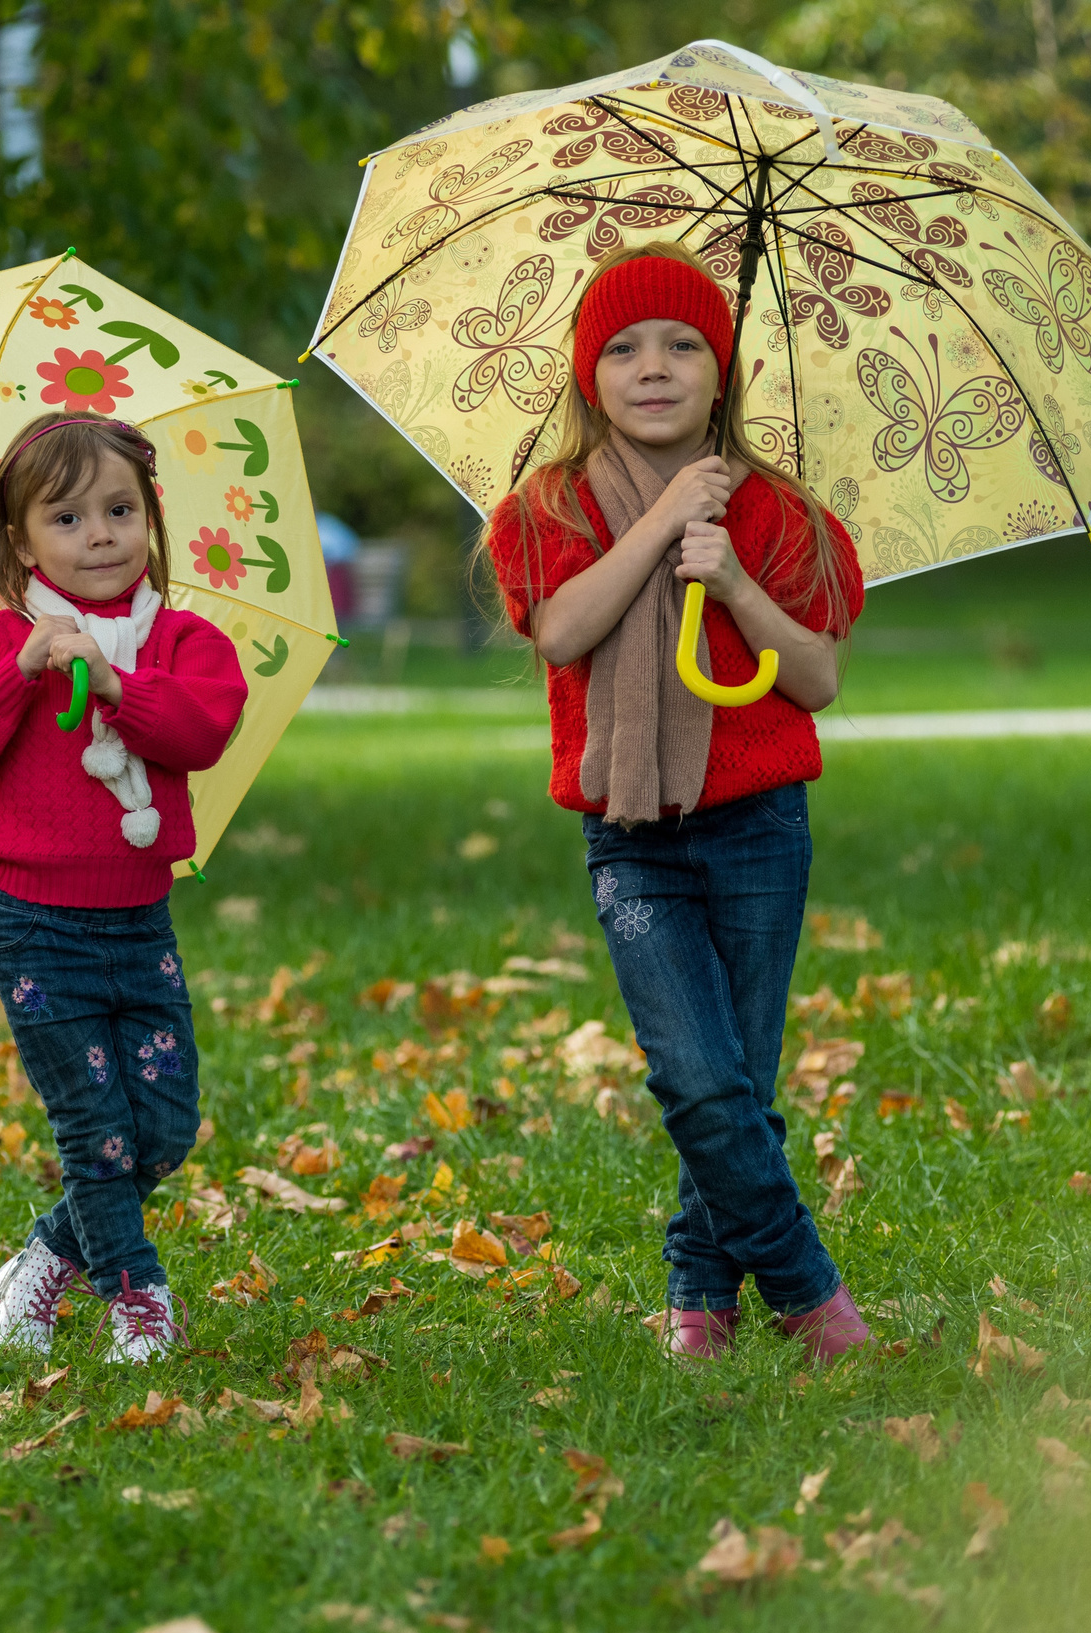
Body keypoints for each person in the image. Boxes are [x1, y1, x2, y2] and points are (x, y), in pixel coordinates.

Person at [485, 241, 871, 1364]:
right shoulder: (548, 508)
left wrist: (734, 578)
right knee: (696, 1079)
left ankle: (699, 1293)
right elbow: (560, 631)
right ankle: (809, 1294)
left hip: (757, 829)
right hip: (632, 836)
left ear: (723, 373)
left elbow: (817, 680)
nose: (652, 368)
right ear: (586, 376)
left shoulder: (776, 515)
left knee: (738, 1085)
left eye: (682, 345)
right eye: (622, 349)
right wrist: (657, 528)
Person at [0, 413, 247, 1363]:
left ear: (150, 518)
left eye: (118, 509)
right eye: (66, 518)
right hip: (36, 925)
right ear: (21, 544)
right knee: (96, 1129)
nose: (98, 533)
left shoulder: (181, 641)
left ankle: (39, 1261)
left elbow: (199, 731)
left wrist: (112, 682)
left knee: (165, 1121)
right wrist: (22, 670)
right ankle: (136, 1296)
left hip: (139, 920)